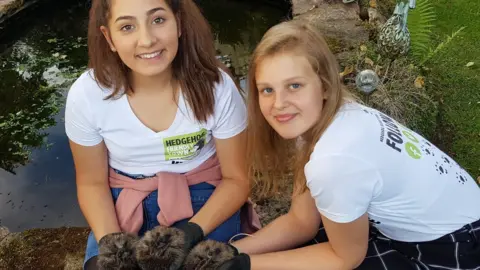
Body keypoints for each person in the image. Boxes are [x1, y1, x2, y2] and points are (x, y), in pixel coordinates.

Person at [215, 20, 480, 269]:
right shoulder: (331, 117)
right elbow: (302, 221)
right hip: (452, 221)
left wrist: (244, 265)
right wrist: (231, 254)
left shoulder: (333, 160)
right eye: (267, 90)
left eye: (294, 85)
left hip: (454, 248)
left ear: (326, 86)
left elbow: (345, 258)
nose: (279, 103)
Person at [64, 0, 259, 269]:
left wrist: (191, 233)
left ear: (178, 22)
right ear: (109, 37)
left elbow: (237, 179)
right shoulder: (87, 95)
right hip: (125, 198)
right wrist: (113, 246)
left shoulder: (217, 87)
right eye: (127, 26)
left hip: (204, 196)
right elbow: (91, 184)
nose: (146, 40)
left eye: (158, 20)